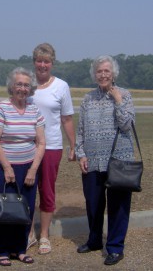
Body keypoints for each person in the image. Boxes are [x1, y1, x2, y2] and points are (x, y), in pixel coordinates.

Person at [75, 55, 135, 266]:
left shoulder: (125, 95)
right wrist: (80, 153)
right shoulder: (87, 99)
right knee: (93, 204)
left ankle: (116, 247)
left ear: (113, 73)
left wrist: (118, 101)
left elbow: (127, 125)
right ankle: (94, 241)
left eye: (106, 71)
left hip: (119, 161)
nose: (103, 75)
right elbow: (80, 131)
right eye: (99, 71)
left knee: (118, 206)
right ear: (94, 74)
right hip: (92, 161)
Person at [0, 67, 46, 266]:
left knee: (26, 210)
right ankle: (3, 250)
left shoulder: (34, 110)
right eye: (18, 84)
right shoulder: (2, 107)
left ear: (30, 88)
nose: (22, 88)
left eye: (26, 85)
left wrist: (33, 169)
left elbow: (41, 142)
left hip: (29, 166)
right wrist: (6, 167)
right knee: (7, 209)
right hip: (6, 168)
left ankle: (20, 249)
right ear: (11, 87)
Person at [28, 43, 76, 255]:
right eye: (39, 60)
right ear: (34, 62)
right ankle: (28, 233)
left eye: (46, 61)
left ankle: (44, 235)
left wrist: (74, 145)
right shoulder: (25, 84)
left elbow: (66, 119)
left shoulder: (61, 86)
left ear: (52, 63)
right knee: (26, 190)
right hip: (26, 147)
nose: (42, 64)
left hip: (52, 146)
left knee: (46, 190)